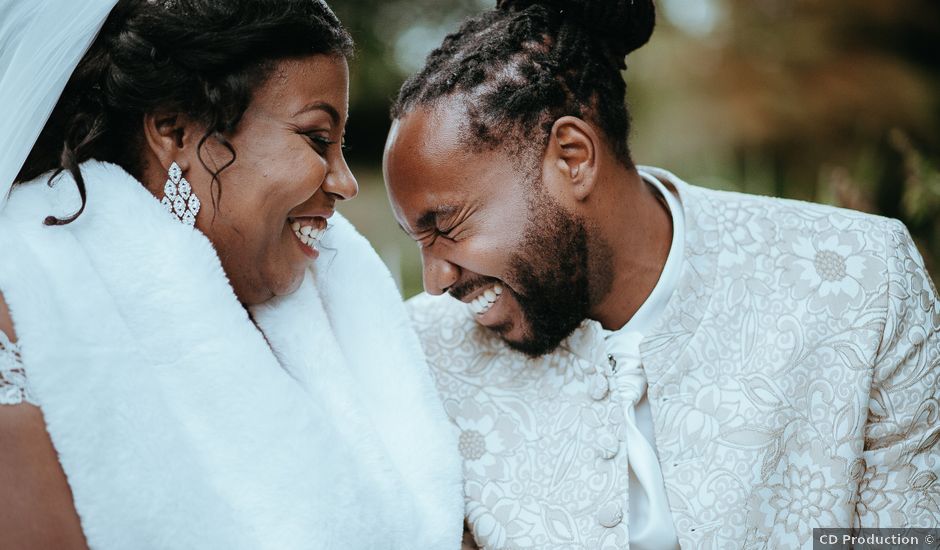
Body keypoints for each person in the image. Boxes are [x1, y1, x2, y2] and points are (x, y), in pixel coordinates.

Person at [382, 0, 940, 548]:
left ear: (572, 157)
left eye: (446, 225)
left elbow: (907, 537)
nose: (434, 281)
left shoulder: (862, 279)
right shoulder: (423, 355)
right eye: (417, 240)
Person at [0, 0, 462, 548]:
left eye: (342, 148)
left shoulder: (338, 301)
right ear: (174, 132)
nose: (344, 181)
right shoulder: (28, 308)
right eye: (317, 138)